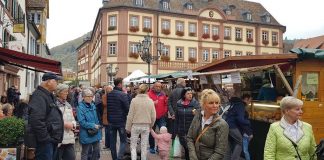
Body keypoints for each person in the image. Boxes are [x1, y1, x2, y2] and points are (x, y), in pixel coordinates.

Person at [28, 72, 64, 160]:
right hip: (45, 142)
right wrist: (46, 139)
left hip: (50, 140)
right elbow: (36, 120)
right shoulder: (39, 96)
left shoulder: (47, 95)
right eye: (56, 81)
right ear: (48, 82)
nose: (57, 84)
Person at [187, 89, 229, 160]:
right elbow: (189, 138)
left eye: (217, 103)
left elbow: (219, 152)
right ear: (204, 104)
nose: (215, 105)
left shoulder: (222, 124)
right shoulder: (198, 117)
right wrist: (193, 157)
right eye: (211, 103)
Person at [126, 84, 156, 160]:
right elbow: (153, 116)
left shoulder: (134, 100)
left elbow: (130, 115)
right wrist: (151, 125)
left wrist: (128, 127)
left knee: (133, 145)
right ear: (147, 91)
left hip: (135, 125)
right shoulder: (150, 101)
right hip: (146, 125)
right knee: (144, 145)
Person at [223, 86, 250, 160]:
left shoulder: (233, 103)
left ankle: (228, 158)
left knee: (229, 143)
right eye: (249, 100)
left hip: (226, 124)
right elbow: (240, 119)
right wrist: (248, 122)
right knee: (240, 141)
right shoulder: (240, 105)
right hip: (232, 126)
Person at [107, 77, 130, 160]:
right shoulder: (123, 94)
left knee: (112, 142)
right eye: (123, 83)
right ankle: (119, 158)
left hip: (111, 121)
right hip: (121, 121)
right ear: (120, 84)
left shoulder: (109, 94)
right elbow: (128, 109)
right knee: (123, 141)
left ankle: (114, 158)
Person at [175, 87, 200, 160]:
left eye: (191, 93)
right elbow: (177, 118)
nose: (190, 95)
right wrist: (176, 131)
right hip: (182, 130)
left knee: (191, 149)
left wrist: (197, 113)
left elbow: (201, 116)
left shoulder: (195, 104)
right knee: (186, 148)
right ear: (184, 95)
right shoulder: (179, 103)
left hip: (192, 131)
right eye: (188, 93)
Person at [77, 88, 102, 160]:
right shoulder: (80, 107)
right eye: (88, 96)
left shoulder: (93, 105)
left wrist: (98, 126)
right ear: (83, 97)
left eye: (91, 96)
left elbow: (96, 118)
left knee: (96, 150)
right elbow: (81, 122)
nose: (90, 98)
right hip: (86, 133)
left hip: (96, 132)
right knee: (85, 152)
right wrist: (93, 125)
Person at [55, 84, 76, 160]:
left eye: (67, 91)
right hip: (59, 140)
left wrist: (73, 125)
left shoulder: (68, 105)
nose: (67, 93)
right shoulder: (54, 105)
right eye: (65, 91)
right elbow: (53, 120)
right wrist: (64, 124)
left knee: (71, 157)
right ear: (59, 92)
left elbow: (73, 119)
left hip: (69, 138)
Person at [148, 81, 168, 154]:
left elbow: (166, 104)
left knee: (162, 132)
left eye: (159, 86)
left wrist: (164, 111)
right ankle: (152, 147)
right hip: (152, 116)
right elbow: (146, 104)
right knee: (151, 132)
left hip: (161, 116)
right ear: (154, 86)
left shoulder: (163, 94)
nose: (158, 88)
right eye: (157, 86)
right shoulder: (149, 94)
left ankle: (159, 147)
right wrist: (153, 103)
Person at [241, 94, 253, 160]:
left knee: (245, 149)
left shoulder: (242, 107)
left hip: (245, 132)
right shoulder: (242, 108)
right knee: (245, 150)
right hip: (245, 133)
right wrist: (249, 133)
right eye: (249, 100)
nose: (250, 102)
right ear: (246, 99)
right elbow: (244, 123)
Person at [102, 85, 113, 149]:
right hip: (106, 115)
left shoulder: (113, 96)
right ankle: (107, 145)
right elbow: (104, 104)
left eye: (110, 90)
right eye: (107, 90)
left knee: (111, 131)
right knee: (107, 131)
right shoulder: (104, 96)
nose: (109, 91)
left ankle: (111, 145)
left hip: (112, 115)